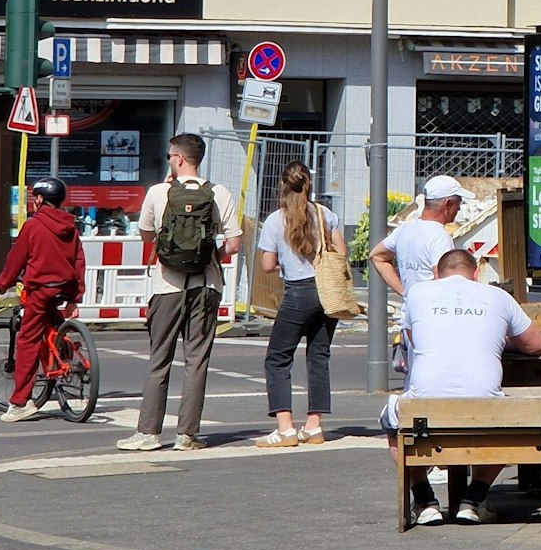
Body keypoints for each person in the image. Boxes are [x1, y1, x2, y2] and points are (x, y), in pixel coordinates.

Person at [383, 249, 541, 525]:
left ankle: (424, 501)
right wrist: (498, 340)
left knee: (392, 422)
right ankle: (473, 499)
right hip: (485, 409)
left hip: (425, 409)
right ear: (476, 274)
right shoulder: (498, 296)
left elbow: (414, 338)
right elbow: (536, 345)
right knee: (508, 420)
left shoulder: (417, 294)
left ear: (436, 275)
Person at [117, 133, 240, 452]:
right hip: (206, 285)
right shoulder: (219, 192)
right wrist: (210, 255)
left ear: (180, 159)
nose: (169, 160)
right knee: (197, 360)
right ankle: (187, 435)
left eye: (171, 156)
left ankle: (148, 433)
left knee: (159, 359)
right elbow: (235, 244)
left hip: (166, 285)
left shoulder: (158, 192)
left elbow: (146, 236)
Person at [253, 162, 349, 448]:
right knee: (319, 355)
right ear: (309, 184)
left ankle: (285, 429)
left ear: (282, 186)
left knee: (278, 358)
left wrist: (288, 260)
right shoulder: (325, 214)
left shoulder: (275, 220)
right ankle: (314, 426)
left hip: (298, 293)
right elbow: (342, 252)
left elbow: (268, 265)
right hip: (326, 291)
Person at [0, 177, 86, 423]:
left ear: (40, 200)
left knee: (28, 341)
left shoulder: (33, 226)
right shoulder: (71, 227)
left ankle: (20, 402)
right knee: (52, 325)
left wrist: (0, 286)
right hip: (64, 287)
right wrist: (76, 297)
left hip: (41, 289)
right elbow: (78, 262)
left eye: (35, 197)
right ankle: (66, 357)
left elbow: (16, 260)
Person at [368, 175, 467, 300]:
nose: (458, 208)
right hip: (430, 313)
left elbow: (377, 256)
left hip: (409, 313)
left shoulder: (404, 229)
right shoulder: (439, 237)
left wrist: (405, 292)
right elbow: (443, 282)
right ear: (448, 204)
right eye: (459, 203)